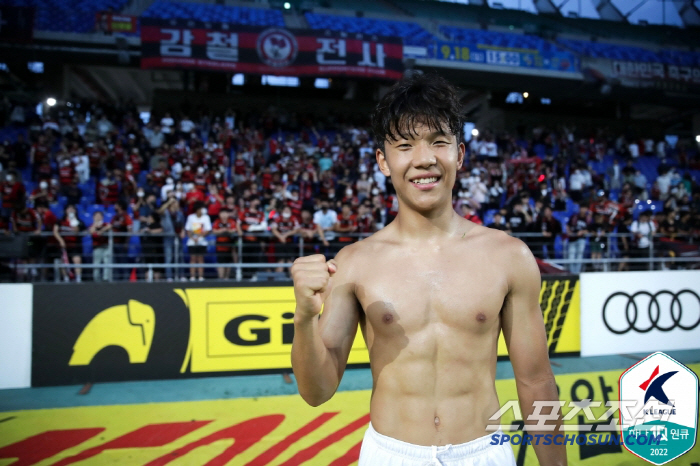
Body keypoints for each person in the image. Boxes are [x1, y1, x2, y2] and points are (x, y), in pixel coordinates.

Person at [291, 74, 564, 466]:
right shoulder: (354, 263)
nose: (424, 159)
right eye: (405, 145)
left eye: (438, 141)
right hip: (390, 455)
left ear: (460, 154)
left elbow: (536, 381)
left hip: (484, 454)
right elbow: (316, 392)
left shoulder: (509, 256)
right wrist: (304, 319)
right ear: (383, 161)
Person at [53, 204, 85, 282]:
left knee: (77, 260)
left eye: (72, 209)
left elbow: (76, 232)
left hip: (75, 245)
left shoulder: (79, 221)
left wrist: (73, 221)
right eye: (69, 209)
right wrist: (61, 241)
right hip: (63, 245)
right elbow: (55, 231)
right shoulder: (60, 221)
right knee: (63, 261)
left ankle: (78, 278)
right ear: (65, 210)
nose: (71, 210)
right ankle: (66, 278)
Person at [185, 201, 211, 281]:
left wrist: (199, 238)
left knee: (200, 259)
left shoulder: (206, 217)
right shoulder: (190, 217)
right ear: (197, 209)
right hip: (192, 242)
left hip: (202, 242)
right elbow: (188, 230)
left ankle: (200, 277)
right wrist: (193, 238)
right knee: (193, 258)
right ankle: (192, 277)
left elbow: (208, 230)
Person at [212, 208, 241, 279]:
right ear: (219, 214)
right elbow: (214, 231)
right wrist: (222, 230)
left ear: (228, 214)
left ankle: (226, 277)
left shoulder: (231, 221)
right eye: (222, 213)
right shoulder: (217, 221)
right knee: (220, 262)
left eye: (225, 213)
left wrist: (227, 230)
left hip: (229, 244)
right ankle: (221, 278)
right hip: (220, 245)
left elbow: (234, 230)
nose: (224, 215)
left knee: (228, 262)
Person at [89, 210, 112, 281]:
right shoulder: (92, 226)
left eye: (100, 216)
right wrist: (95, 225)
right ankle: (96, 279)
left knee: (107, 262)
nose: (98, 217)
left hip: (106, 246)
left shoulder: (105, 224)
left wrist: (101, 231)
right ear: (93, 217)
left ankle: (106, 279)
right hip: (97, 247)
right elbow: (91, 231)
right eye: (96, 216)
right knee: (97, 263)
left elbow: (110, 226)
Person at [566, 205, 589, 274]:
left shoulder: (587, 219)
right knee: (571, 257)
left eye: (585, 208)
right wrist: (569, 232)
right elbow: (567, 225)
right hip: (572, 239)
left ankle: (577, 273)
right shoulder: (574, 216)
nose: (583, 209)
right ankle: (572, 273)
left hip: (581, 239)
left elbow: (589, 229)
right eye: (582, 208)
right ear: (579, 208)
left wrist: (582, 232)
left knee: (579, 256)